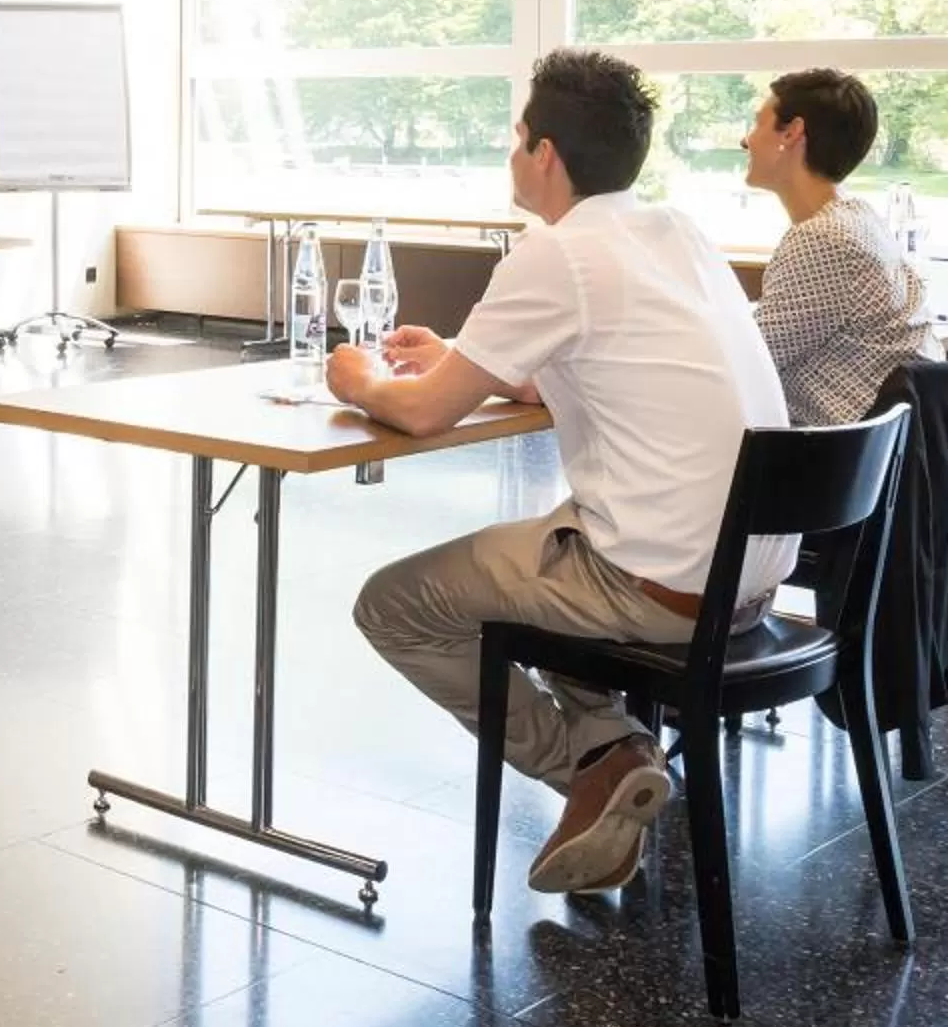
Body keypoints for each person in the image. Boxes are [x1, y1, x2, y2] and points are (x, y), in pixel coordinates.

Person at [329, 51, 787, 896]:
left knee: (394, 605)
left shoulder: (558, 253)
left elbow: (425, 413)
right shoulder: (676, 233)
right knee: (551, 550)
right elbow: (614, 358)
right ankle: (610, 751)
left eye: (516, 137)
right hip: (752, 583)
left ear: (545, 154)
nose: (511, 153)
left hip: (656, 590)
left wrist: (354, 377)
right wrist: (471, 361)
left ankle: (593, 765)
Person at [740, 68, 943, 425]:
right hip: (894, 450)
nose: (746, 140)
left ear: (792, 132)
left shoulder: (822, 238)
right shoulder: (859, 218)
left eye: (758, 124)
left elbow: (748, 358)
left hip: (838, 462)